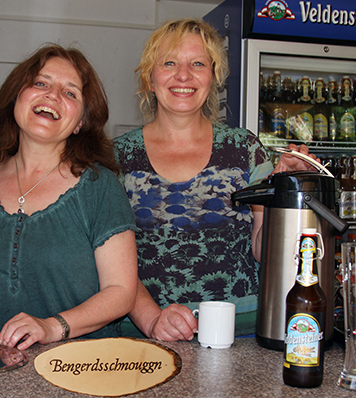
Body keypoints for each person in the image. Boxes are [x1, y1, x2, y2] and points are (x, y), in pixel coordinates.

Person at [114, 19, 317, 341]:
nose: (184, 75)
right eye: (169, 63)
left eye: (198, 63)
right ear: (149, 79)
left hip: (240, 331)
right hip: (145, 335)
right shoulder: (116, 157)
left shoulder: (246, 149)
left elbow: (264, 250)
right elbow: (108, 264)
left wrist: (283, 193)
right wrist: (151, 319)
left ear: (213, 77)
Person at [0, 44, 138, 350]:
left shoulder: (100, 186)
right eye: (41, 83)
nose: (53, 95)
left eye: (70, 93)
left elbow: (121, 292)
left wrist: (51, 327)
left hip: (78, 366)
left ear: (81, 122)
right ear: (16, 96)